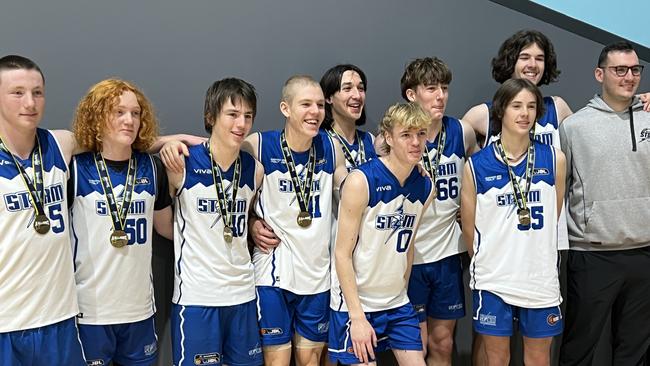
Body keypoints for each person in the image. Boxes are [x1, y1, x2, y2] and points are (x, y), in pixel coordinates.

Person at [460, 78, 566, 366]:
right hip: (495, 278)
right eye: (517, 106)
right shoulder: (476, 165)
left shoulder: (554, 159)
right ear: (501, 111)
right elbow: (469, 226)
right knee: (497, 359)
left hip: (539, 277)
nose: (525, 113)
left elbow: (553, 215)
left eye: (531, 107)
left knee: (538, 359)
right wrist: (489, 260)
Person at [69, 78, 174, 365]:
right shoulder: (75, 169)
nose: (129, 120)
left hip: (139, 311)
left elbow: (168, 228)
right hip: (89, 312)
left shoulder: (153, 169)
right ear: (97, 115)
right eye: (118, 112)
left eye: (135, 113)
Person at [559, 41, 650, 366]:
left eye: (635, 69)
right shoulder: (574, 127)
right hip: (592, 255)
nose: (629, 76)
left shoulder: (649, 118)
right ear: (600, 74)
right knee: (579, 349)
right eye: (619, 70)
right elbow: (560, 188)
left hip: (644, 252)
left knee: (634, 352)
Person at [245, 75, 346, 366]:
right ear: (285, 108)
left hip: (316, 274)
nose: (314, 112)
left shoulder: (330, 147)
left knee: (311, 361)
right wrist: (252, 223)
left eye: (318, 105)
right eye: (305, 104)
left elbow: (349, 187)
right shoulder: (259, 146)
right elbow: (231, 187)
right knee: (276, 362)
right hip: (273, 272)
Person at [162, 78, 264, 366]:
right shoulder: (181, 162)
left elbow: (248, 216)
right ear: (211, 117)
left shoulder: (255, 170)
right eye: (232, 114)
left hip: (243, 295)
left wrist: (254, 223)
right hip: (198, 298)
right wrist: (169, 141)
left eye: (247, 116)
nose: (241, 124)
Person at [328, 102, 434, 366]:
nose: (415, 142)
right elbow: (341, 254)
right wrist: (357, 317)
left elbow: (408, 246)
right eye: (406, 135)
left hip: (397, 302)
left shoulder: (426, 185)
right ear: (388, 137)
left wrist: (403, 292)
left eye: (421, 134)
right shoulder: (360, 181)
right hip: (358, 304)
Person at [0, 54, 86, 364]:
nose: (30, 102)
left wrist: (167, 141)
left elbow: (118, 139)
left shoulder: (58, 144)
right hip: (7, 324)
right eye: (18, 92)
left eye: (37, 92)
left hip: (59, 319)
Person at [400, 57, 477, 365]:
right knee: (414, 345)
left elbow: (479, 172)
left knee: (443, 344)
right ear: (411, 94)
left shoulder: (463, 131)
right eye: (431, 88)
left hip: (447, 254)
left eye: (444, 88)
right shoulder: (394, 137)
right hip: (410, 256)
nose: (441, 96)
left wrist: (468, 209)